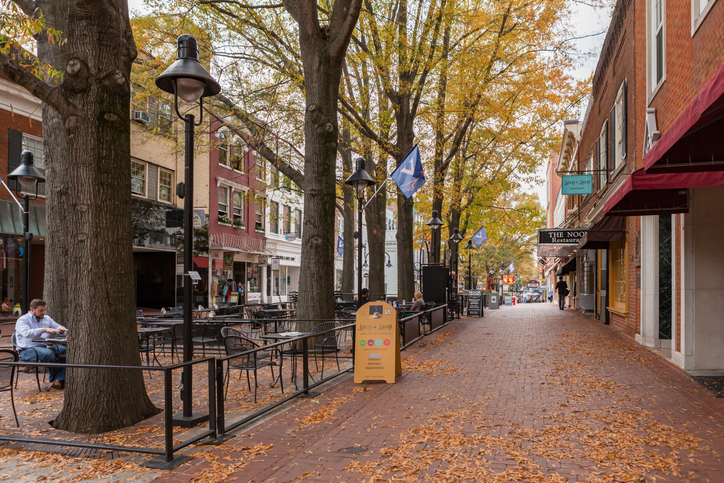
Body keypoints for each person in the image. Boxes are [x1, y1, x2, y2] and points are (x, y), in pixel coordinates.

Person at [14, 299, 67, 390]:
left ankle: (60, 378)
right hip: (27, 349)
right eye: (40, 310)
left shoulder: (46, 319)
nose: (43, 312)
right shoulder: (23, 320)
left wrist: (62, 329)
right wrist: (43, 329)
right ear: (32, 310)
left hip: (44, 345)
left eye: (44, 310)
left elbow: (57, 327)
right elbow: (26, 333)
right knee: (48, 354)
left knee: (65, 350)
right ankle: (55, 380)